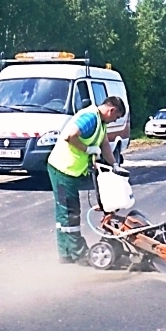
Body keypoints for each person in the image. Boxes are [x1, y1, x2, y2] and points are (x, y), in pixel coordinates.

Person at [46, 96, 126, 264]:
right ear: (111, 110)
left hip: (71, 172)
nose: (114, 121)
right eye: (116, 117)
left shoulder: (101, 123)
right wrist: (87, 149)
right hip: (63, 169)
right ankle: (78, 254)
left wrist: (114, 165)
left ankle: (65, 254)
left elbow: (104, 145)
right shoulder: (90, 117)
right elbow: (70, 136)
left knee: (65, 212)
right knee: (69, 212)